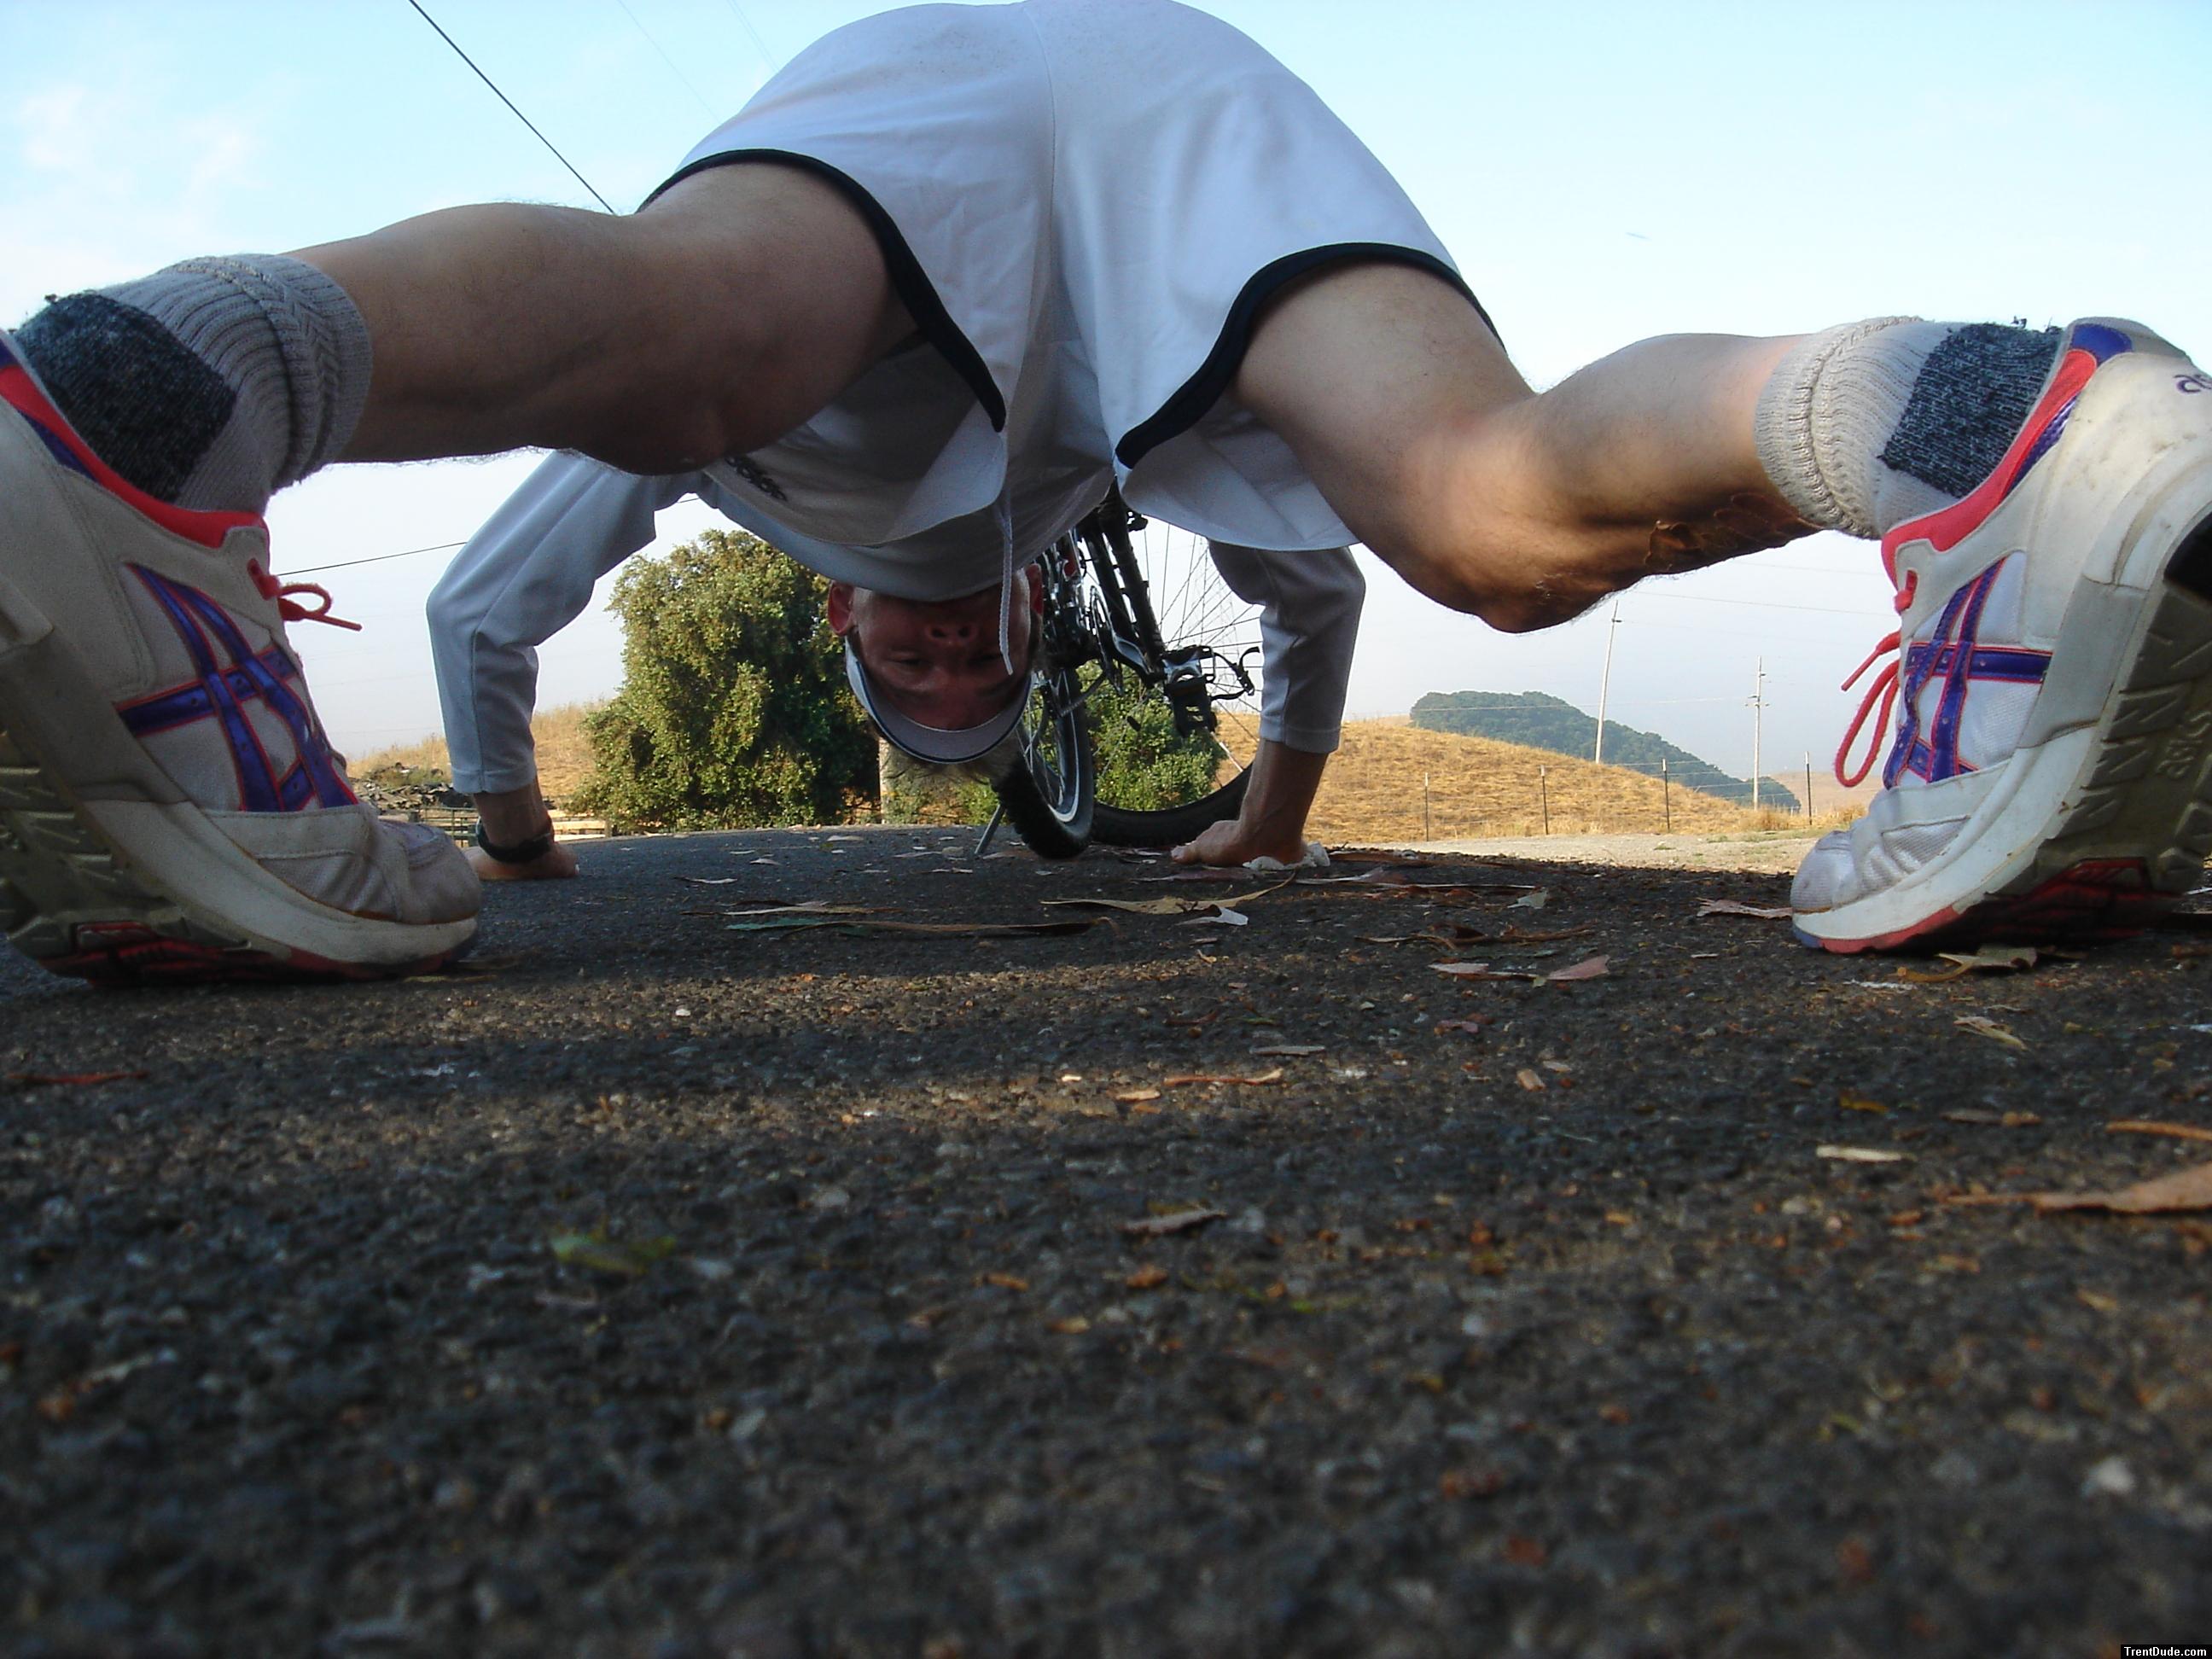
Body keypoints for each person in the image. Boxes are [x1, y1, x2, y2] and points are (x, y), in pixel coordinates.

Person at [3, 0, 2209, 987]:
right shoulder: (943, 515)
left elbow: (487, 619)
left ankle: (132, 410)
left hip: (958, 69)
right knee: (1491, 516)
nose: (959, 639)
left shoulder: (773, 502)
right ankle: (2008, 431)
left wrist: (504, 834)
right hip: (1163, 75)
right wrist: (1284, 795)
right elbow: (1335, 582)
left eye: (941, 652)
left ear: (857, 633)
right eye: (962, 654)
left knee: (705, 334)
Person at [424, 457, 1361, 881]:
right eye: (997, 666)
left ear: (845, 610)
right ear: (1035, 610)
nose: (953, 659)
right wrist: (1270, 826)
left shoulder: (732, 432)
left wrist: (515, 842)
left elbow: (477, 611)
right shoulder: (1106, 407)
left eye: (908, 661)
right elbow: (1313, 577)